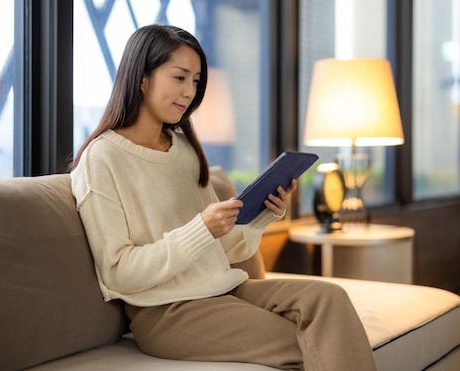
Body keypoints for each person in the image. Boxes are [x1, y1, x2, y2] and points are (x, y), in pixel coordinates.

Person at [69, 24, 377, 371]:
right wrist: (201, 228)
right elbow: (117, 273)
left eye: (196, 81)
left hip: (225, 289)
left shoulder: (184, 149)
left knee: (328, 298)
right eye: (179, 77)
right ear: (142, 78)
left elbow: (225, 249)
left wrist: (262, 214)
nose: (189, 92)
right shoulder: (102, 159)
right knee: (320, 343)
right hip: (168, 312)